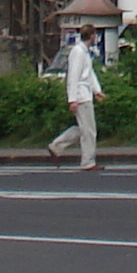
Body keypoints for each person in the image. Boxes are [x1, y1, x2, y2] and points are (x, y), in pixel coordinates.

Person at [46, 27, 105, 172]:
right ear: (91, 36)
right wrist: (72, 99)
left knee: (85, 128)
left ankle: (56, 146)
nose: (95, 37)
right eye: (94, 35)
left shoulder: (84, 52)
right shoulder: (78, 52)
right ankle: (88, 162)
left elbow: (89, 74)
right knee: (89, 131)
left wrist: (97, 91)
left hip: (85, 94)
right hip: (81, 96)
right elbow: (73, 76)